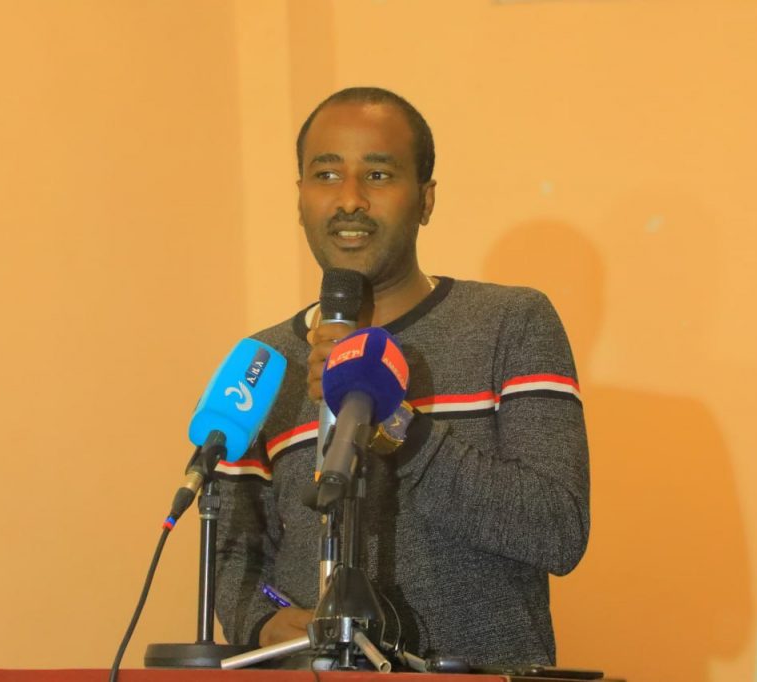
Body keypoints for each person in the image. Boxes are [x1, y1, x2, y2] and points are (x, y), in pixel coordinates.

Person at [214, 86, 589, 667]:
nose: (350, 199)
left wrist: (394, 423)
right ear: (300, 198)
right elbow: (232, 556)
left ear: (425, 200)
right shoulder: (265, 362)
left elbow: (556, 530)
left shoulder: (511, 323)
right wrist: (260, 622)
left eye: (379, 175)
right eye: (326, 175)